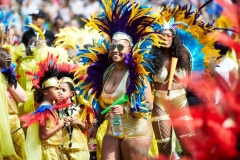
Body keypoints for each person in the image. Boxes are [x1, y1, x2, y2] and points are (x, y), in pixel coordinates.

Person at [74, 0, 166, 159]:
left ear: (130, 49)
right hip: (112, 129)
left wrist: (126, 109)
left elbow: (149, 105)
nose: (115, 50)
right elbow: (104, 105)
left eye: (120, 47)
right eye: (113, 46)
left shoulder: (138, 74)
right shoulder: (106, 72)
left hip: (135, 130)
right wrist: (96, 124)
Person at [151, 4, 218, 159]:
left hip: (180, 101)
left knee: (190, 149)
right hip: (160, 103)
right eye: (162, 35)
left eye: (168, 35)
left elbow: (193, 78)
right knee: (164, 151)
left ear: (174, 38)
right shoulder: (152, 57)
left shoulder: (185, 56)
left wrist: (181, 86)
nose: (165, 38)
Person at [20, 54, 65, 160]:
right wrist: (60, 126)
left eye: (60, 89)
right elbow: (43, 135)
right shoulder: (44, 110)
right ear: (45, 91)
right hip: (48, 154)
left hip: (54, 152)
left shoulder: (49, 108)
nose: (59, 92)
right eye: (56, 89)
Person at [57, 62, 94, 160]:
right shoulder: (55, 110)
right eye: (57, 89)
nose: (59, 92)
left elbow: (86, 128)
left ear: (71, 93)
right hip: (62, 149)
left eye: (63, 90)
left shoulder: (80, 108)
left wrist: (77, 122)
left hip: (79, 149)